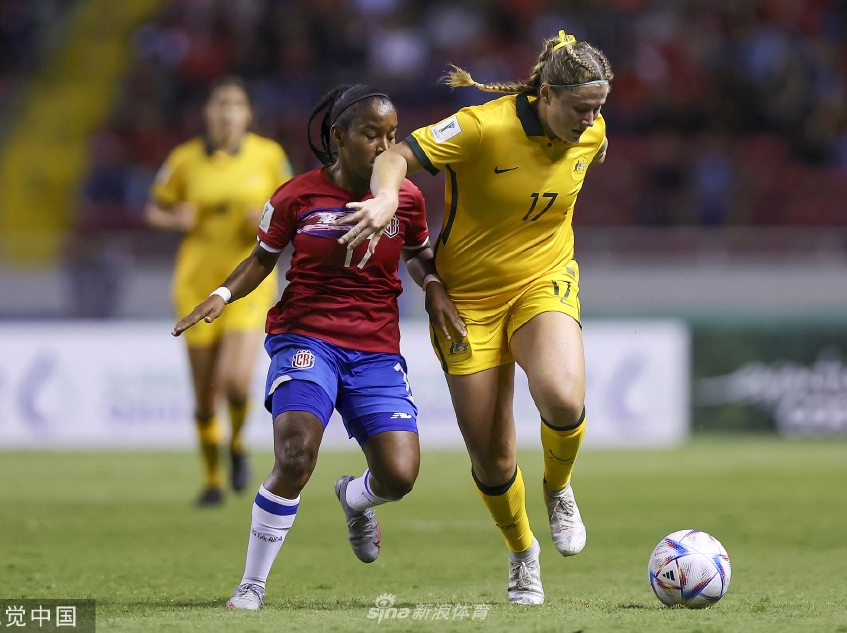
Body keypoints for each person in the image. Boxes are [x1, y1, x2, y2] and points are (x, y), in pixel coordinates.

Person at [336, 30, 613, 604]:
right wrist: (385, 197)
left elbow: (588, 150)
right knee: (492, 457)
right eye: (581, 109)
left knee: (562, 397)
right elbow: (394, 156)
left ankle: (558, 489)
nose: (591, 121)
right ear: (545, 95)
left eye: (598, 108)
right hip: (467, 302)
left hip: (542, 281)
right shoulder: (480, 128)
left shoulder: (592, 132)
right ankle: (523, 553)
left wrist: (590, 128)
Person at [172, 84, 462, 611]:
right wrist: (221, 295)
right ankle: (252, 585)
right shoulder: (296, 195)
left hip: (375, 350)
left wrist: (435, 285)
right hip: (305, 338)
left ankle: (354, 497)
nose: (385, 147)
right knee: (295, 454)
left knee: (399, 476)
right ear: (338, 137)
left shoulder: (406, 198)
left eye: (392, 135)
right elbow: (262, 258)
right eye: (372, 135)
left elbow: (419, 254)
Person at [145, 76, 293, 506]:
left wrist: (264, 220)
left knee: (235, 381)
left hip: (246, 284)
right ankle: (212, 481)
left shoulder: (269, 156)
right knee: (204, 395)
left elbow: (292, 208)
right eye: (220, 103)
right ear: (208, 113)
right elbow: (154, 208)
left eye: (236, 104)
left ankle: (239, 444)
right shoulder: (185, 159)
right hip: (195, 283)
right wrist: (174, 219)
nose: (227, 112)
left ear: (248, 114)